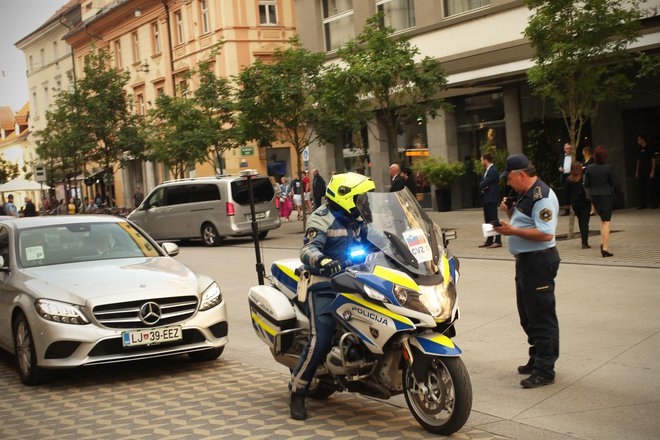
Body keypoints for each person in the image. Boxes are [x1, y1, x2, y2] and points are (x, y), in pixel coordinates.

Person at [290, 172, 376, 420]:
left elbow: (378, 241)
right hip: (323, 285)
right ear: (345, 196)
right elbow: (307, 250)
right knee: (322, 337)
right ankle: (298, 390)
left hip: (355, 282)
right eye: (360, 196)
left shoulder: (357, 218)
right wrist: (324, 260)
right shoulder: (321, 218)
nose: (364, 201)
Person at [493, 154, 560, 389]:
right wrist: (510, 215)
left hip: (539, 261)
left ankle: (545, 369)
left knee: (541, 316)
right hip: (526, 261)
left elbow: (545, 233)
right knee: (527, 314)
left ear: (521, 175)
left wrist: (512, 232)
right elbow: (526, 223)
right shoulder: (525, 194)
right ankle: (536, 357)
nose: (508, 183)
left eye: (510, 178)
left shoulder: (541, 197)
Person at [584, 145, 616, 257]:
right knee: (606, 221)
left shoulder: (589, 168)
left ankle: (603, 243)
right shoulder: (609, 167)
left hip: (595, 197)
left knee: (603, 220)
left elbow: (586, 184)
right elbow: (614, 183)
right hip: (607, 196)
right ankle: (605, 248)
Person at [478, 152, 502, 248]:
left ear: (485, 160)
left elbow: (484, 183)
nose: (481, 162)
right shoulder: (488, 170)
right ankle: (489, 239)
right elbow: (485, 184)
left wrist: (483, 185)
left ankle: (498, 240)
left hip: (491, 197)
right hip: (487, 197)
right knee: (488, 220)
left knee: (494, 219)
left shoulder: (493, 170)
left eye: (481, 160)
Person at [565, 161, 591, 249]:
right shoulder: (583, 178)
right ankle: (585, 242)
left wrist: (567, 204)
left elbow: (567, 193)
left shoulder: (569, 179)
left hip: (575, 203)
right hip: (585, 202)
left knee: (581, 221)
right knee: (585, 222)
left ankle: (583, 241)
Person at [635, 134, 657, 209]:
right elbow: (638, 160)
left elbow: (653, 160)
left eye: (639, 139)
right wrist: (637, 171)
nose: (638, 141)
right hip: (641, 170)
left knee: (651, 187)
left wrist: (653, 171)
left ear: (643, 140)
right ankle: (642, 204)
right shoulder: (639, 149)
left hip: (649, 170)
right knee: (641, 187)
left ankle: (654, 203)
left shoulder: (649, 148)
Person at [557, 143, 572, 215]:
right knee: (566, 193)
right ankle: (567, 210)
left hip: (572, 175)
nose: (568, 150)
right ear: (564, 149)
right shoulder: (562, 156)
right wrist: (560, 168)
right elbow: (559, 164)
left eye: (569, 148)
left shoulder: (574, 155)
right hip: (565, 176)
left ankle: (574, 209)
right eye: (567, 148)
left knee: (573, 192)